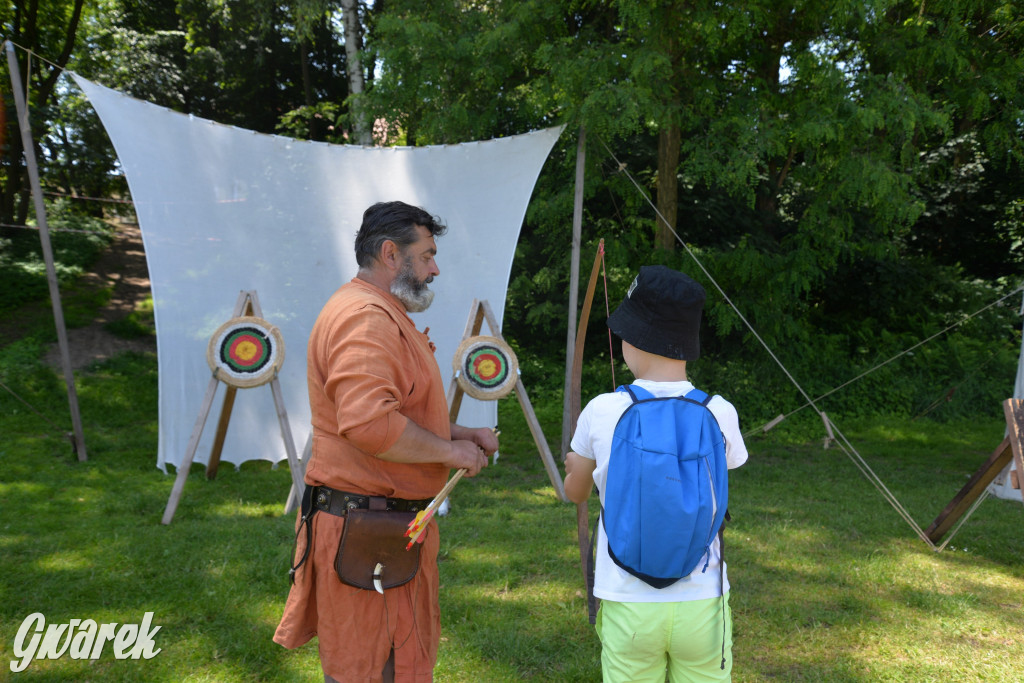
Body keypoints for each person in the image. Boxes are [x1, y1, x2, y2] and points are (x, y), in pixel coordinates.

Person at [273, 201, 498, 682]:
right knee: (371, 671)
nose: (435, 269)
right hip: (368, 535)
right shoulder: (366, 318)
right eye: (428, 255)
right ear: (391, 254)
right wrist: (450, 452)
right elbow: (370, 424)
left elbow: (397, 413)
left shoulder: (375, 311)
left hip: (381, 533)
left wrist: (461, 434)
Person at [563, 265, 748, 683]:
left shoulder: (602, 410)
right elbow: (728, 465)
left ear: (633, 339)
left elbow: (576, 493)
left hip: (628, 602)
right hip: (703, 600)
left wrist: (576, 468)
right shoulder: (719, 411)